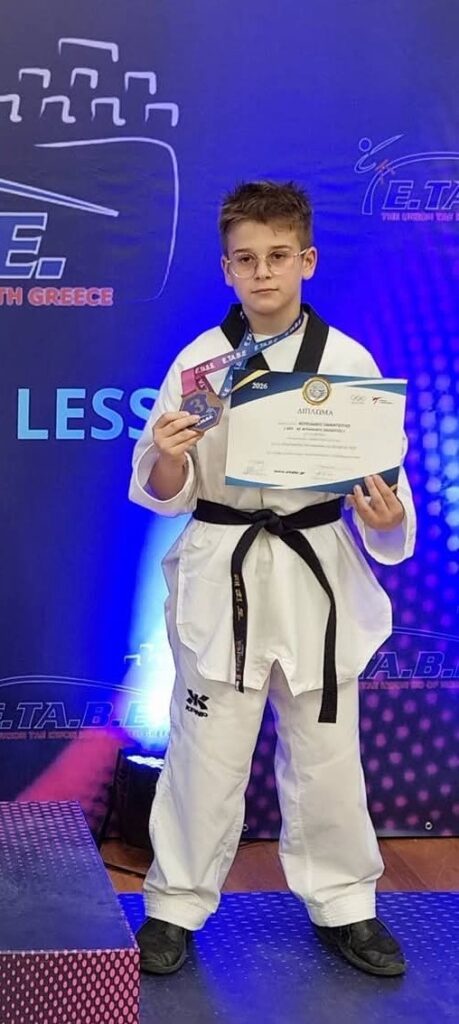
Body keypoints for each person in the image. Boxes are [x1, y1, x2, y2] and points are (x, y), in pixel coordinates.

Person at [129, 181, 416, 978]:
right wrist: (169, 457)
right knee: (204, 754)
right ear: (226, 268)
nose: (263, 272)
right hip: (222, 571)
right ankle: (175, 904)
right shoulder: (201, 364)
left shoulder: (347, 362)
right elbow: (160, 488)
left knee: (327, 755)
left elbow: (385, 497)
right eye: (246, 259)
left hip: (315, 571)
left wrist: (385, 516)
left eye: (278, 256)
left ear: (306, 260)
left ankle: (345, 904)